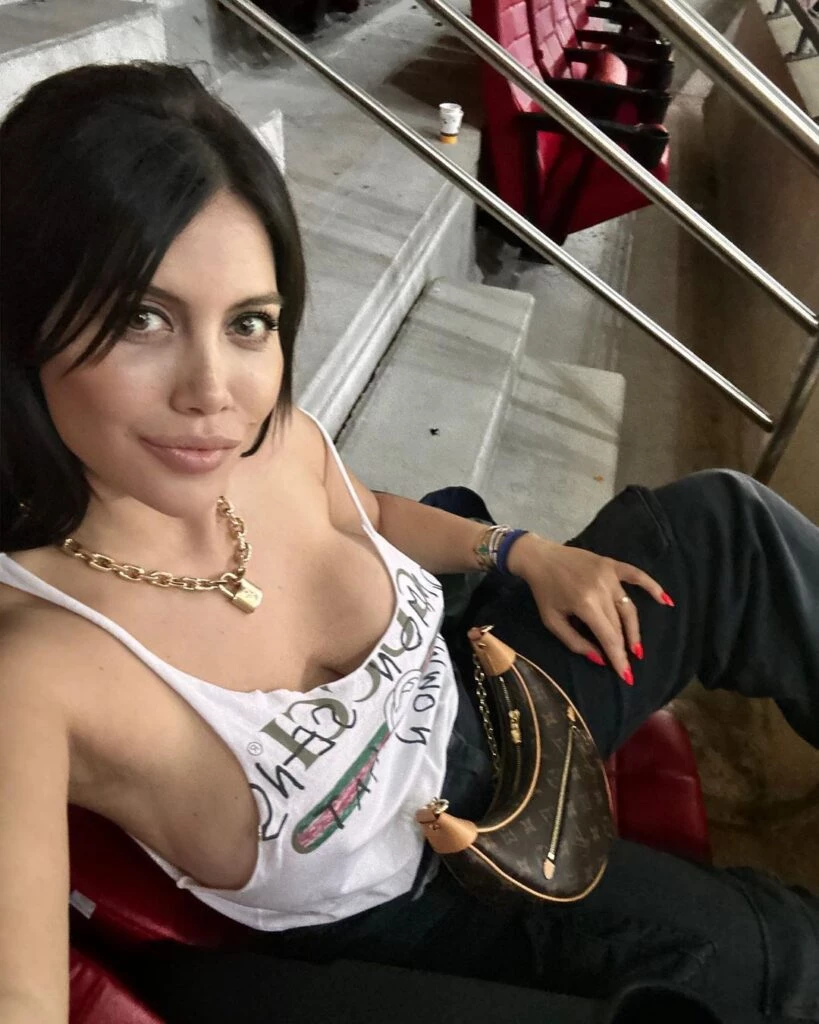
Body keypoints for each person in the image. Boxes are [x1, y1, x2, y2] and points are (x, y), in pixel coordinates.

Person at [1, 61, 818, 1024]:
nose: (213, 392)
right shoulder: (36, 668)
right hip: (426, 905)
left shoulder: (272, 441)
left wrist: (519, 552)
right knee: (778, 961)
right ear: (27, 316)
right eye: (144, 318)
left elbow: (372, 515)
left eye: (249, 324)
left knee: (724, 529)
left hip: (486, 703)